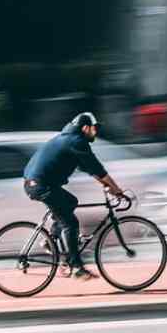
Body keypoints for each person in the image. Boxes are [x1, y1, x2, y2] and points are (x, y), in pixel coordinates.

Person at [23, 112, 125, 281]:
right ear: (85, 128)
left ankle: (51, 240)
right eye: (95, 128)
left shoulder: (69, 139)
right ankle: (77, 267)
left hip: (39, 183)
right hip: (40, 185)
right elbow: (97, 168)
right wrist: (116, 189)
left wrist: (107, 184)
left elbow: (90, 169)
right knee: (70, 222)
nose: (96, 132)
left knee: (71, 202)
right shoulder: (76, 141)